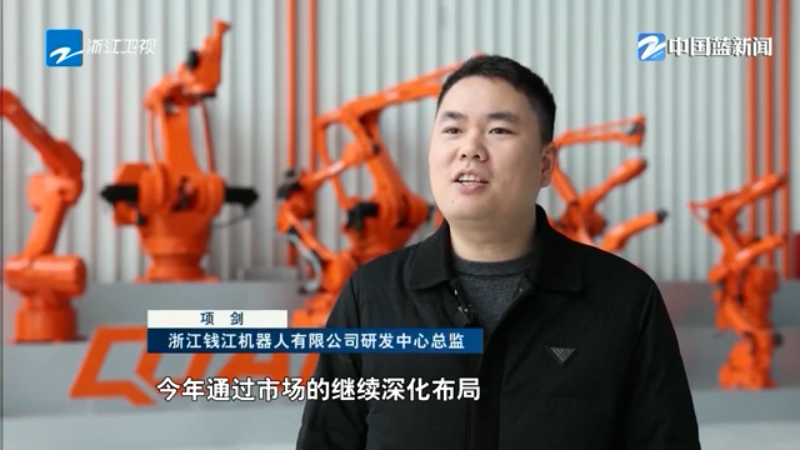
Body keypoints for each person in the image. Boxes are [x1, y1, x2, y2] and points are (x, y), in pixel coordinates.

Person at [296, 54, 701, 450]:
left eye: (498, 130)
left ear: (546, 164)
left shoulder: (624, 301)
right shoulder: (371, 298)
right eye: (452, 129)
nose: (470, 149)